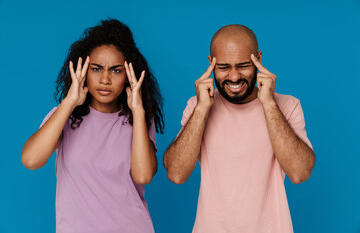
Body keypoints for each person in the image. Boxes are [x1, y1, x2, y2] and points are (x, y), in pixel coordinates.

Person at [163, 24, 315, 233]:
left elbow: (300, 173)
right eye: (224, 67)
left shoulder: (287, 106)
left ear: (258, 60)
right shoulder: (198, 106)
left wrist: (269, 104)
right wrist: (201, 109)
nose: (234, 77)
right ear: (211, 63)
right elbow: (176, 174)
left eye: (243, 65)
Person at [21, 19, 164, 233]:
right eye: (96, 69)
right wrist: (69, 102)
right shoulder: (65, 116)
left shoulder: (139, 119)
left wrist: (139, 111)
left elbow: (143, 176)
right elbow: (31, 160)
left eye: (116, 71)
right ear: (84, 70)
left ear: (128, 75)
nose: (105, 79)